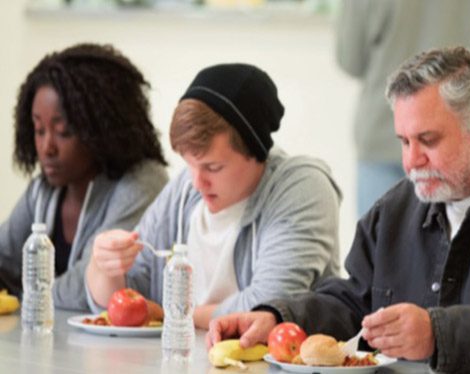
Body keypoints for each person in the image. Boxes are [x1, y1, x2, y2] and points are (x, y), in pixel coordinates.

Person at [207, 47, 470, 372]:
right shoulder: (395, 209)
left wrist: (438, 334)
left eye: (428, 140)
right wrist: (278, 319)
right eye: (405, 142)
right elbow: (355, 302)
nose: (411, 162)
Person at [86, 63, 342, 329]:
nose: (197, 182)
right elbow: (128, 298)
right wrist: (104, 265)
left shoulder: (303, 188)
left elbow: (268, 305)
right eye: (189, 165)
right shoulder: (186, 189)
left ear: (257, 152)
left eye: (213, 167)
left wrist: (167, 314)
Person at [0, 43, 169, 311]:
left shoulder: (142, 184)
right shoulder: (44, 191)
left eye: (63, 131)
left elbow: (85, 288)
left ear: (101, 130)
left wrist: (25, 301)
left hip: (121, 351)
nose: (47, 147)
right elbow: (4, 257)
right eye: (39, 130)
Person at [337, 0, 470, 217]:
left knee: (381, 245)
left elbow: (349, 60)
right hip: (454, 144)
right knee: (455, 245)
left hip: (384, 136)